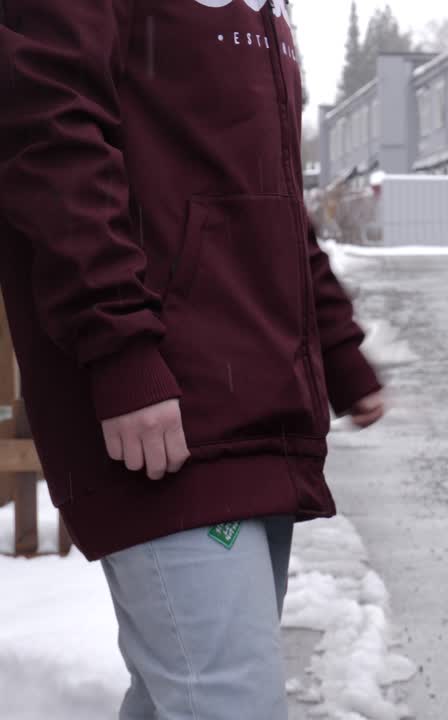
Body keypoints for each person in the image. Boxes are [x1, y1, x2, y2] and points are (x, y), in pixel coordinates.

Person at [0, 1, 384, 717]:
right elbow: (49, 134)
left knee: (182, 697)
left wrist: (335, 343)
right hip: (158, 414)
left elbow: (269, 193)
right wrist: (119, 348)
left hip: (251, 409)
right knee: (226, 702)